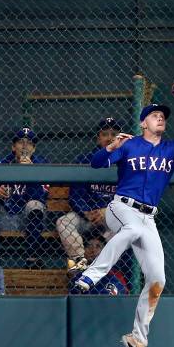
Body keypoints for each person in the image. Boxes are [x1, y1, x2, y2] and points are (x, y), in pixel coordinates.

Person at [74, 100, 174, 347]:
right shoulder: (129, 143)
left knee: (158, 279)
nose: (160, 119)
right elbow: (96, 164)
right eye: (154, 115)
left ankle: (137, 340)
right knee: (133, 228)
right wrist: (111, 147)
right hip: (120, 207)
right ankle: (91, 275)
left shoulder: (172, 149)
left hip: (148, 217)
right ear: (143, 122)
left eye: (163, 116)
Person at [56, 117, 121, 277]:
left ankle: (109, 266)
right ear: (98, 138)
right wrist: (86, 212)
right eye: (105, 134)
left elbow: (128, 196)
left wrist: (106, 211)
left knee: (127, 225)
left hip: (110, 216)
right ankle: (79, 261)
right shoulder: (85, 160)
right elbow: (75, 195)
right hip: (86, 216)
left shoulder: (127, 161)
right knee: (63, 222)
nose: (109, 138)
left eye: (114, 134)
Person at [0, 128, 49, 268]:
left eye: (29, 143)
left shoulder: (41, 164)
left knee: (35, 205)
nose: (25, 146)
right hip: (2, 218)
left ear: (34, 149)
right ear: (13, 147)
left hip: (27, 220)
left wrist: (31, 173)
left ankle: (32, 258)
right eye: (21, 142)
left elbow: (41, 197)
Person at [69, 230, 129, 295]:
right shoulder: (78, 276)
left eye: (98, 246)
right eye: (89, 246)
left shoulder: (115, 274)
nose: (93, 250)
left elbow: (122, 294)